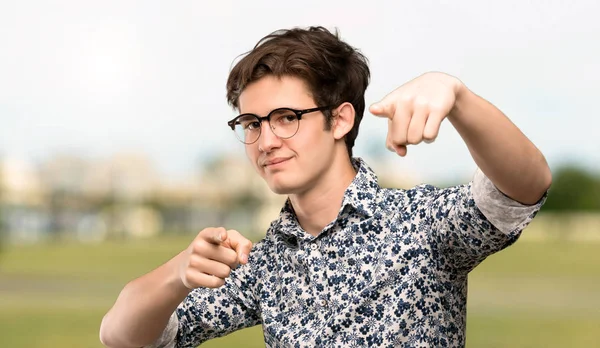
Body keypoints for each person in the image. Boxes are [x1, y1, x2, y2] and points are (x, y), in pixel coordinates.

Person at [99, 26, 551, 348]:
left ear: (340, 118)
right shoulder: (265, 263)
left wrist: (458, 97)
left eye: (286, 117)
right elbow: (123, 337)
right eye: (251, 122)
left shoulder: (419, 226)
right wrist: (179, 272)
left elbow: (523, 187)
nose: (266, 139)